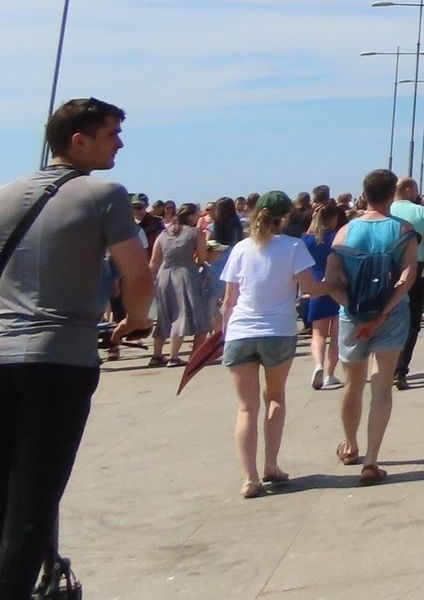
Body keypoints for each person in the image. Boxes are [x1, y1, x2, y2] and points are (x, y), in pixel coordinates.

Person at [0, 98, 151, 593]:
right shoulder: (104, 194)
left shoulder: (6, 195)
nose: (120, 143)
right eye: (111, 134)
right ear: (78, 140)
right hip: (58, 360)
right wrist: (135, 318)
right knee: (35, 499)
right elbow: (137, 274)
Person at [217, 191, 337, 498]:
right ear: (285, 217)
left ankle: (249, 477)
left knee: (246, 408)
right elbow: (311, 287)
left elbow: (229, 301)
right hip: (277, 331)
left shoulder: (241, 248)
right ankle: (271, 465)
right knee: (275, 399)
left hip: (241, 331)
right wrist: (336, 284)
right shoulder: (293, 246)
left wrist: (223, 333)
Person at [326, 168, 419, 486]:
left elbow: (331, 282)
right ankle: (372, 459)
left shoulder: (344, 233)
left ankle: (350, 444)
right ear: (393, 193)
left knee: (353, 383)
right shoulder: (403, 230)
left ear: (363, 194)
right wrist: (383, 313)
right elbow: (407, 278)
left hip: (352, 317)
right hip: (392, 315)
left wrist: (354, 309)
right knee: (381, 385)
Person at [390, 177, 424, 393]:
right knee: (412, 322)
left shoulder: (385, 210)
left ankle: (386, 366)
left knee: (388, 319)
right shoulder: (421, 212)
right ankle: (400, 370)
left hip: (387, 269)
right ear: (409, 189)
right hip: (416, 268)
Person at [148, 200, 212, 368]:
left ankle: (156, 355)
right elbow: (202, 257)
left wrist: (149, 280)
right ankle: (174, 356)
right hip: (185, 274)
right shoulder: (195, 232)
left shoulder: (164, 233)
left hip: (164, 274)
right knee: (181, 315)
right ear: (190, 216)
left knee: (164, 315)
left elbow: (154, 260)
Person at [303, 201, 343, 390]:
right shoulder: (338, 237)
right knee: (336, 334)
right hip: (335, 286)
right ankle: (330, 374)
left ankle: (318, 364)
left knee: (318, 334)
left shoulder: (307, 240)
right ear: (333, 218)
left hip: (315, 287)